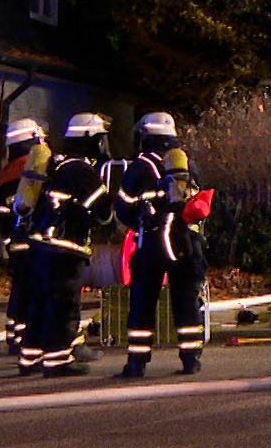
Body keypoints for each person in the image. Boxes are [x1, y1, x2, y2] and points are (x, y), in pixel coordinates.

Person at [114, 113, 214, 378]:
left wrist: (140, 223)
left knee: (143, 303)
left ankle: (136, 363)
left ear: (146, 137)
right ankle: (190, 358)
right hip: (186, 242)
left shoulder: (138, 168)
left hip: (151, 243)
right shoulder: (188, 165)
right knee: (187, 301)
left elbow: (122, 207)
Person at [24, 113, 115, 376]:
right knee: (65, 305)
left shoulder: (55, 164)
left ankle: (29, 358)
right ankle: (58, 361)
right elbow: (101, 209)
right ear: (89, 140)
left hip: (41, 245)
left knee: (40, 303)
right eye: (100, 139)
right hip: (65, 248)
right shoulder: (80, 170)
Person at [0, 119, 48, 368]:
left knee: (19, 290)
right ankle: (29, 339)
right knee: (34, 290)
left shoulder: (6, 171)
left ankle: (14, 336)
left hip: (14, 242)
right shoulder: (29, 168)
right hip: (31, 241)